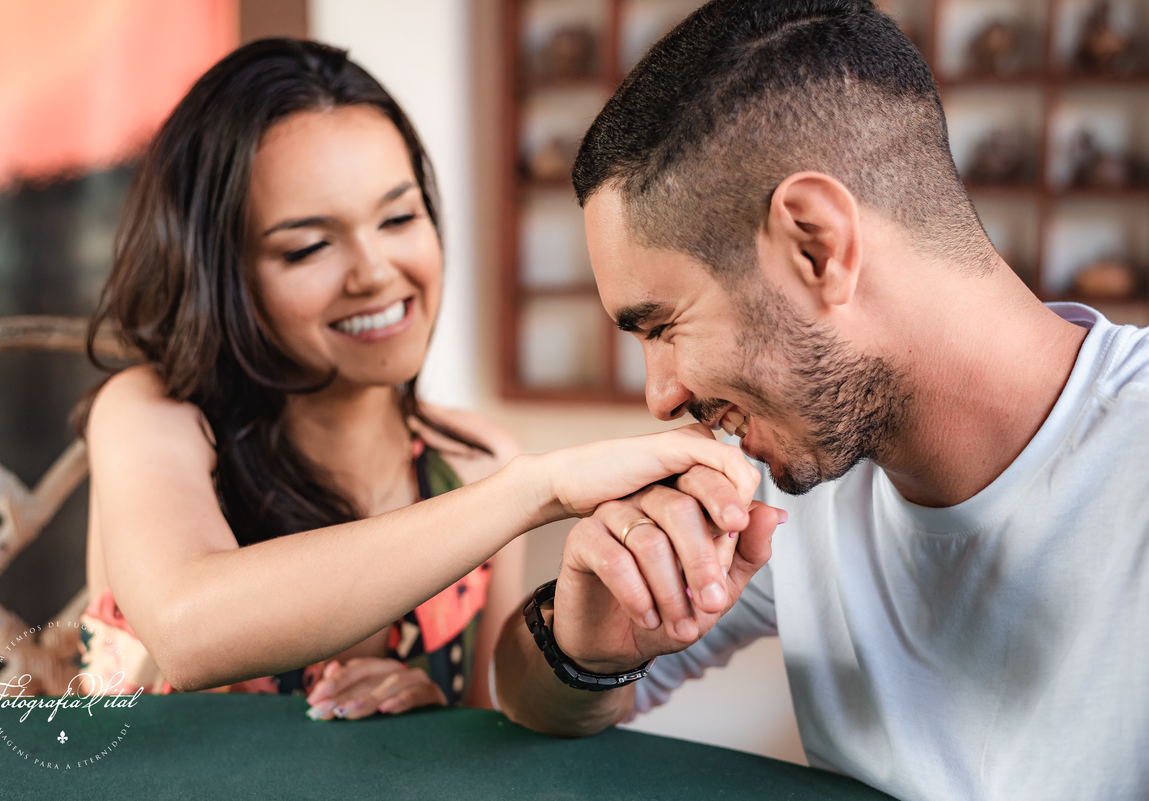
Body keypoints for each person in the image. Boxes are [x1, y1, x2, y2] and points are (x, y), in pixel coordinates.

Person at [493, 1, 1149, 799]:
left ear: (816, 246)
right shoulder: (793, 471)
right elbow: (533, 702)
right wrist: (584, 649)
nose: (660, 395)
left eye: (663, 325)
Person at [76, 38, 768, 722]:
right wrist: (539, 487)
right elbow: (187, 629)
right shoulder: (152, 414)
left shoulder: (473, 463)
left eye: (400, 217)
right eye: (308, 245)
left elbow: (479, 740)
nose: (376, 271)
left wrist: (428, 713)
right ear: (220, 273)